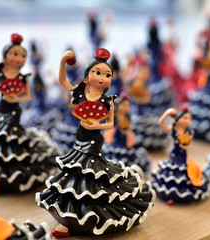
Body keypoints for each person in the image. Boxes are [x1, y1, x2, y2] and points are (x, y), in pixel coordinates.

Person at [36, 48, 155, 237]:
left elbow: (109, 124)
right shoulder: (80, 94)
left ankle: (89, 218)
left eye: (107, 74)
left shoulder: (108, 101)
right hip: (79, 139)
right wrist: (62, 62)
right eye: (97, 72)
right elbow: (62, 81)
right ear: (87, 75)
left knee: (90, 177)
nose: (102, 77)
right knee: (74, 177)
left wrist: (93, 126)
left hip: (94, 140)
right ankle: (68, 219)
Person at [0, 33, 59, 192]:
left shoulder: (24, 77)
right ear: (6, 55)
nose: (19, 58)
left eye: (23, 55)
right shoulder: (0, 73)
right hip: (2, 109)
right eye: (15, 54)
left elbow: (28, 96)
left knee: (15, 138)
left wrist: (16, 96)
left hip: (16, 110)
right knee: (0, 136)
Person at [152, 106, 210, 205]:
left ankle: (182, 193)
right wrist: (168, 113)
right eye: (185, 118)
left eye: (189, 119)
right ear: (178, 119)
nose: (187, 121)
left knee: (185, 173)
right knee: (172, 174)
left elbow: (189, 145)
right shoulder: (173, 131)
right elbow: (161, 122)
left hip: (183, 156)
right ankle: (170, 194)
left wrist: (184, 145)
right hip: (174, 156)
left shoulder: (189, 132)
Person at [103, 93, 151, 174]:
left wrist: (128, 132)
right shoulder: (113, 116)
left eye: (128, 106)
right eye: (123, 105)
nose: (125, 108)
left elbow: (128, 131)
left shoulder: (127, 118)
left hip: (125, 143)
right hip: (114, 143)